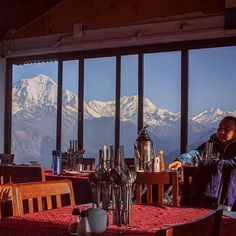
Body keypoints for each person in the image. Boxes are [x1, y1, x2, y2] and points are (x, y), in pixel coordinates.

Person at [169, 116, 236, 211]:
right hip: (207, 192)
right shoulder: (211, 144)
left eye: (227, 129)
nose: (222, 132)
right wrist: (180, 160)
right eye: (220, 128)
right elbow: (196, 153)